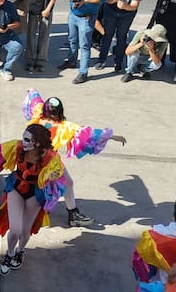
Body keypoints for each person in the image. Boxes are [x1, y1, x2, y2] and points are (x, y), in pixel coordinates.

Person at [22, 91, 122, 227]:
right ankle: (71, 215)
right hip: (48, 163)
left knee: (34, 185)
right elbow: (88, 134)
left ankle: (24, 212)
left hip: (29, 158)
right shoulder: (64, 126)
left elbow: (36, 101)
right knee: (58, 185)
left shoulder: (38, 115)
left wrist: (32, 90)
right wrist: (110, 136)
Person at [0, 124, 68, 274]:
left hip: (35, 192)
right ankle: (10, 253)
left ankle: (20, 251)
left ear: (37, 143)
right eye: (23, 138)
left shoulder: (50, 157)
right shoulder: (17, 147)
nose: (23, 142)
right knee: (15, 230)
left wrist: (52, 177)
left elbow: (58, 176)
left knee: (25, 231)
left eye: (27, 140)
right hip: (16, 187)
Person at [62, 0, 108, 83]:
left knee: (84, 45)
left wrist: (85, 1)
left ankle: (83, 72)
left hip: (86, 17)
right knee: (72, 40)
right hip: (73, 14)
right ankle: (71, 61)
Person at [98, 0, 145, 72]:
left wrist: (124, 6)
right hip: (111, 11)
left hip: (126, 14)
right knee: (107, 34)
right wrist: (113, 0)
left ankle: (118, 61)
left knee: (122, 36)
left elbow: (134, 6)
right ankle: (102, 59)